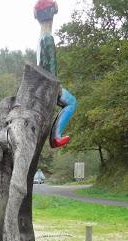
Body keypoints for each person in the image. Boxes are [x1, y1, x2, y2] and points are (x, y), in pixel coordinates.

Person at [34, 0, 77, 148]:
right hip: (49, 85)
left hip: (41, 83)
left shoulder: (40, 39)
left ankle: (54, 136)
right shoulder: (48, 39)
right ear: (52, 16)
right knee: (72, 102)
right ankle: (56, 136)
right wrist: (55, 86)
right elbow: (51, 65)